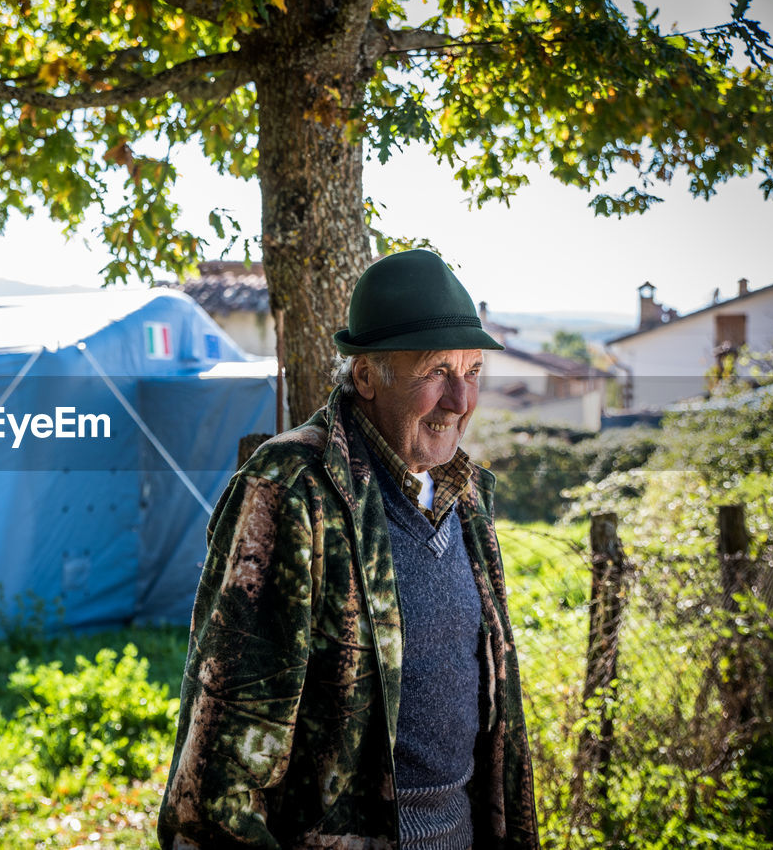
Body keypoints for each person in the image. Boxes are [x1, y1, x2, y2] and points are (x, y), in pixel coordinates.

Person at [157, 249, 539, 850]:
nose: (460, 400)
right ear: (365, 375)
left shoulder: (469, 496)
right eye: (437, 370)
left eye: (472, 370)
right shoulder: (291, 488)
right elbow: (221, 765)